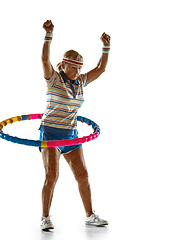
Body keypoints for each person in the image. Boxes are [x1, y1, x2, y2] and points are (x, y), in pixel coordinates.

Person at [39, 20, 110, 230]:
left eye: (80, 68)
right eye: (73, 67)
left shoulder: (80, 82)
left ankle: (90, 215)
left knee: (83, 175)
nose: (78, 71)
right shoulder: (53, 79)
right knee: (52, 175)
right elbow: (44, 59)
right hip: (51, 134)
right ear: (64, 65)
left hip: (71, 134)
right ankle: (45, 217)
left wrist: (106, 46)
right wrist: (48, 35)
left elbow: (101, 69)